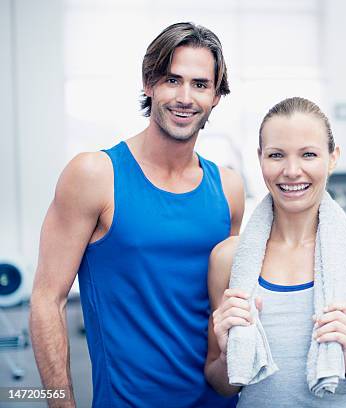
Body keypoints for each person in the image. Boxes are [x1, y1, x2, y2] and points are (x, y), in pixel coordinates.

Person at [29, 22, 244, 407]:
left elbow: (228, 304)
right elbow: (48, 299)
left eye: (200, 84)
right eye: (171, 80)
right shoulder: (94, 175)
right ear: (149, 84)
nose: (185, 97)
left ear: (216, 96)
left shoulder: (229, 189)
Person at [204, 97, 346, 406]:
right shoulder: (227, 259)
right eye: (276, 155)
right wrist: (226, 355)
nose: (291, 170)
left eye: (309, 155)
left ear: (332, 158)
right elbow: (220, 383)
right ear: (260, 158)